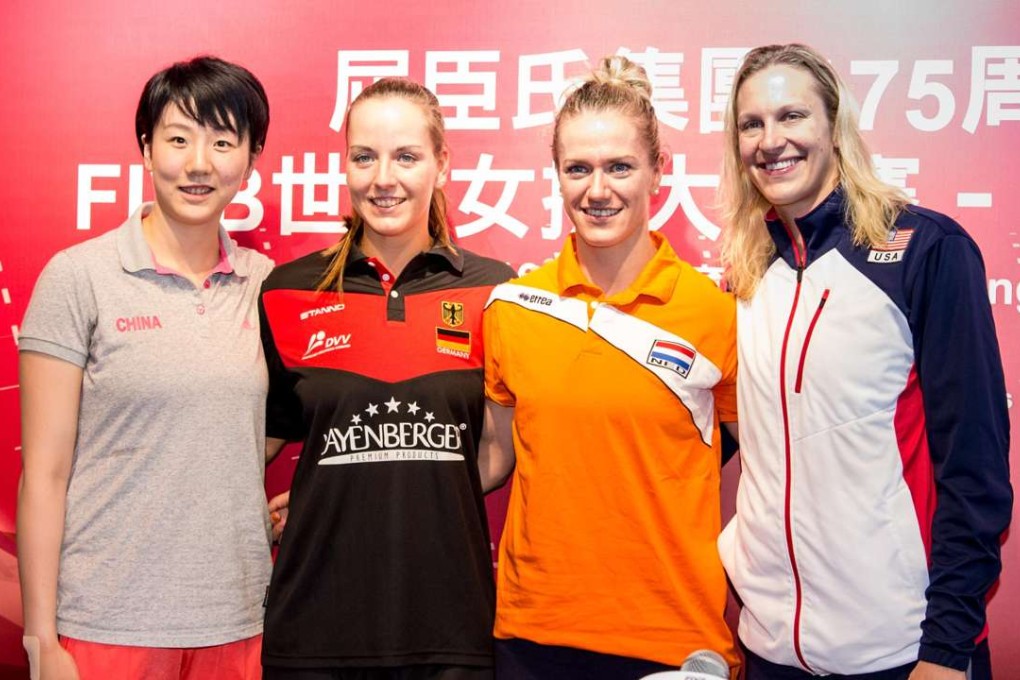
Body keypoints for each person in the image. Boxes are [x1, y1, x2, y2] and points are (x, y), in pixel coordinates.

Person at [716, 43, 1012, 680]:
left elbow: (977, 468)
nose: (772, 141)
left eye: (792, 116)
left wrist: (947, 647)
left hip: (902, 650)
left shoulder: (927, 252)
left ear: (834, 125)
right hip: (770, 651)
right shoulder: (746, 272)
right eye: (751, 124)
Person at [479, 55, 740, 679]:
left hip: (671, 640)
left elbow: (767, 468)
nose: (598, 191)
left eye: (620, 166)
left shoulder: (717, 315)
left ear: (658, 170)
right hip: (533, 633)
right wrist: (351, 493)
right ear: (557, 176)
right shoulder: (514, 308)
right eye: (579, 169)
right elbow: (492, 457)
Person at [17, 56, 274, 679]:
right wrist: (40, 638)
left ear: (251, 157)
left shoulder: (266, 286)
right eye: (178, 138)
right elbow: (44, 475)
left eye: (222, 142)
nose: (198, 164)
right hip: (105, 623)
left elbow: (276, 418)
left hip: (239, 620)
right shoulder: (79, 277)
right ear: (145, 148)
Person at [258, 77, 513, 680]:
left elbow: (499, 450)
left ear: (442, 165)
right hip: (313, 631)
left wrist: (397, 486)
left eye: (406, 156)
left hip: (450, 626)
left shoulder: (496, 290)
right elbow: (253, 445)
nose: (383, 179)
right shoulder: (288, 291)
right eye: (363, 157)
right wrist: (334, 496)